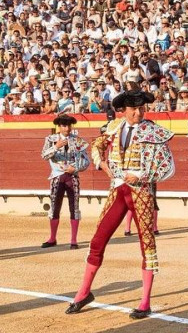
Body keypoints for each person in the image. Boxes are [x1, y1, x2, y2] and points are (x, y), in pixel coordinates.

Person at [66, 90, 174, 320]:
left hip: (141, 192)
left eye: (142, 108)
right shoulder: (114, 127)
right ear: (123, 111)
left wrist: (142, 176)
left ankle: (145, 302)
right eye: (134, 109)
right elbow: (96, 146)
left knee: (147, 244)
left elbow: (168, 167)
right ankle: (83, 293)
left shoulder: (153, 131)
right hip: (117, 190)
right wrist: (101, 165)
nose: (139, 112)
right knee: (98, 240)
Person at [40, 114, 91, 249]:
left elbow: (87, 162)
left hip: (72, 177)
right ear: (59, 126)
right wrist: (56, 147)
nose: (66, 128)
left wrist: (75, 168)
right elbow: (44, 155)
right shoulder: (51, 140)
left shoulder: (78, 141)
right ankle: (52, 238)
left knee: (74, 207)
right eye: (64, 125)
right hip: (57, 176)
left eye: (68, 125)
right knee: (54, 207)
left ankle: (73, 240)